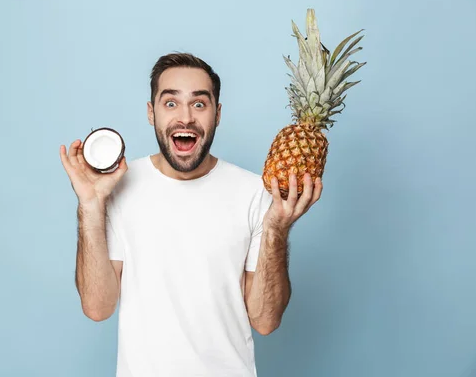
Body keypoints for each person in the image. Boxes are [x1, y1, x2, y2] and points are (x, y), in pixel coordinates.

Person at [59, 52, 323, 377]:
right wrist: (89, 205)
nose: (185, 117)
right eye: (170, 103)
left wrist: (277, 229)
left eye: (199, 104)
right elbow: (97, 308)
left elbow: (266, 321)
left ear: (218, 114)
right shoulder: (118, 188)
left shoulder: (255, 192)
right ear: (150, 112)